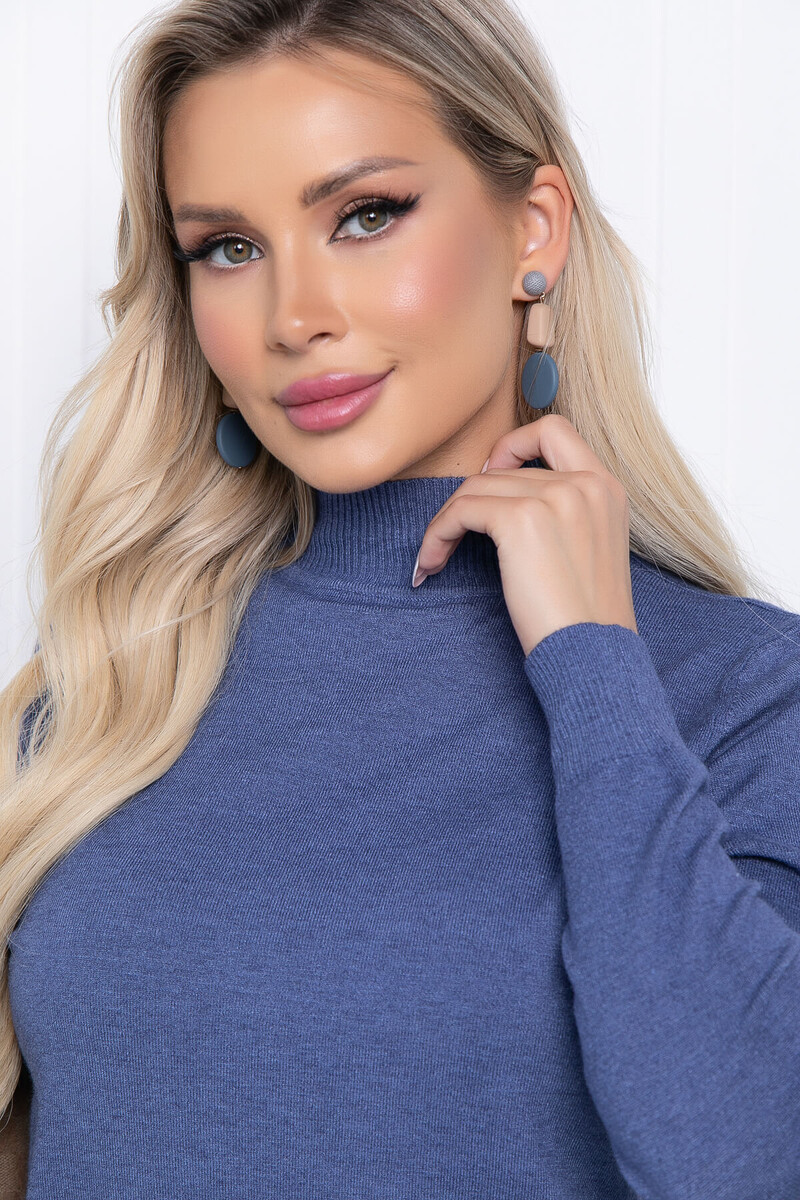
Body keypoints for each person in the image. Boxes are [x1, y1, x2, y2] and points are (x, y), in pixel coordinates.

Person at [1, 0, 799, 1196]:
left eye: (365, 215)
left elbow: (744, 1161)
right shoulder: (108, 692)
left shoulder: (739, 693)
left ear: (533, 230)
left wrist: (590, 658)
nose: (293, 318)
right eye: (229, 248)